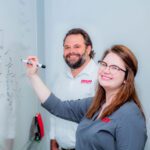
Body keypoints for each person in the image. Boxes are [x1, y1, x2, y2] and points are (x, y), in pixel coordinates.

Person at [26, 44, 147, 150]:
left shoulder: (130, 115)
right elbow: (57, 107)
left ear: (127, 78)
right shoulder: (94, 104)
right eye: (104, 64)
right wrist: (33, 76)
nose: (106, 70)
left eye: (114, 67)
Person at [49, 28, 98, 150]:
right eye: (67, 47)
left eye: (77, 46)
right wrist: (53, 138)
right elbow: (55, 109)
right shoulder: (60, 77)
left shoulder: (100, 76)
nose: (71, 51)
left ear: (88, 49)